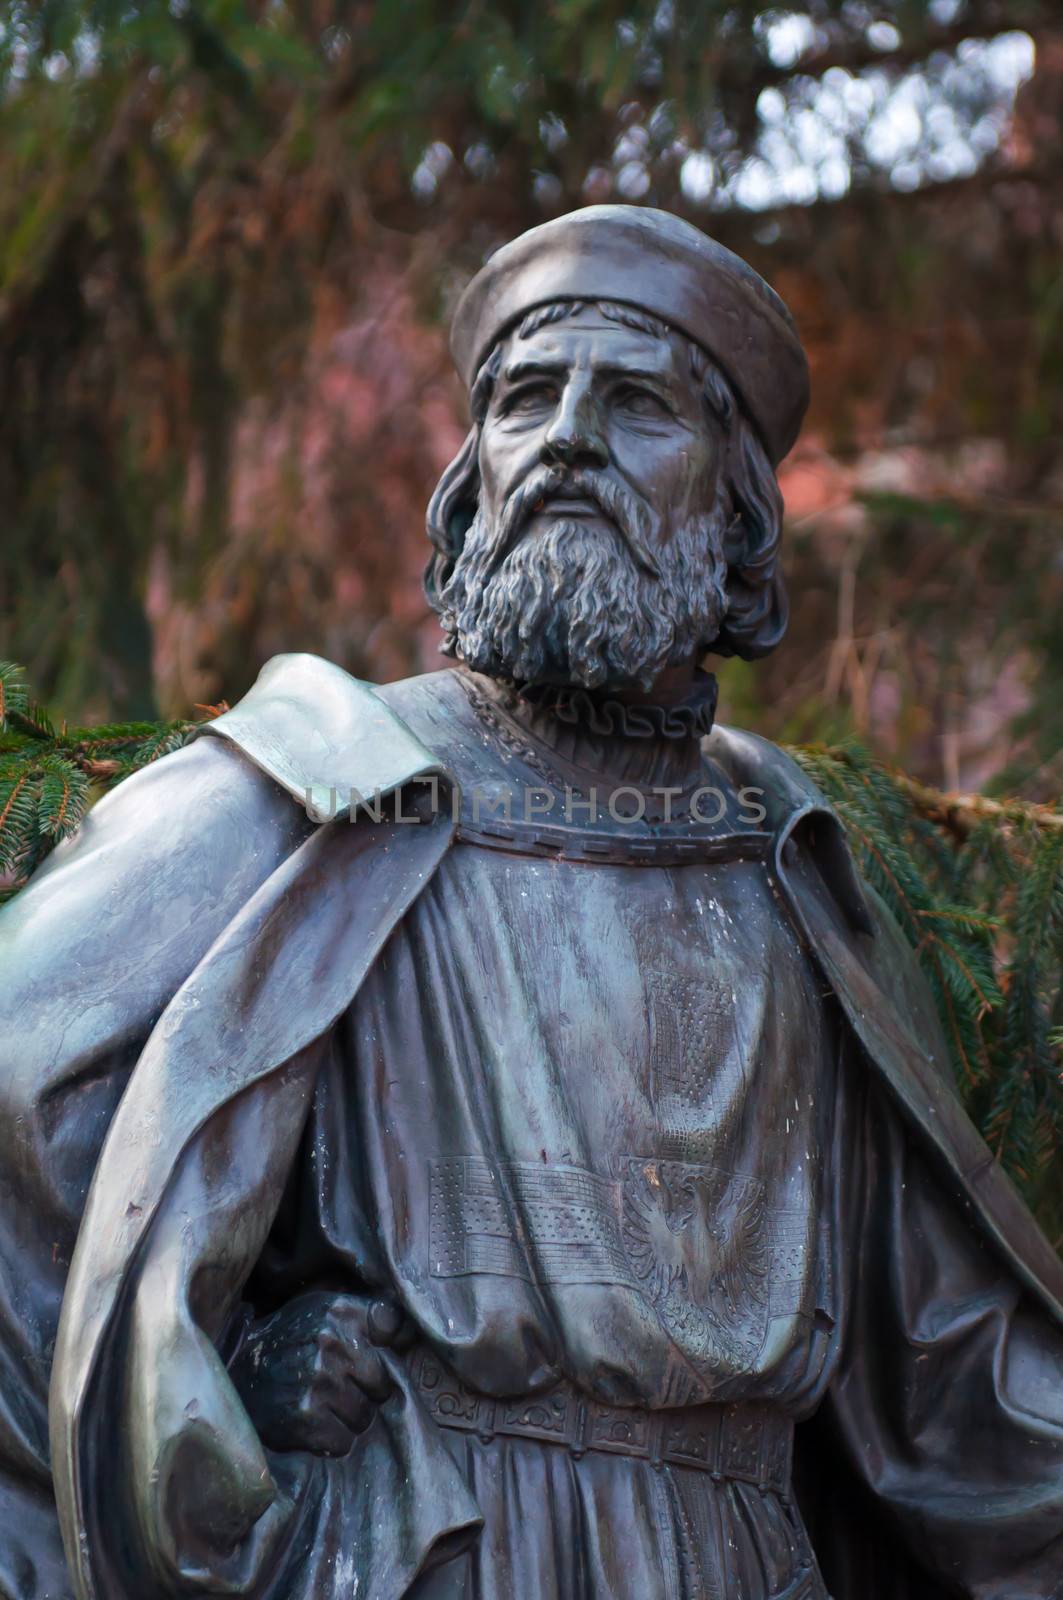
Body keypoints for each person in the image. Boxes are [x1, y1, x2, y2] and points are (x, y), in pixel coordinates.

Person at [1, 207, 1060, 1600]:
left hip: (734, 1559)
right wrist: (208, 1371)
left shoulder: (786, 864)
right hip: (426, 1550)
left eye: (636, 406)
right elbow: (23, 1092)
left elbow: (950, 1375)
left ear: (735, 514)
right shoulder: (323, 783)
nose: (565, 438)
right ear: (472, 474)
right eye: (522, 400)